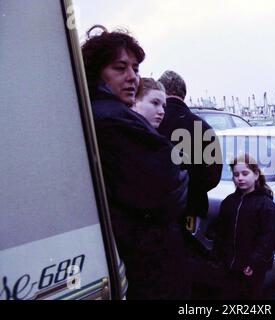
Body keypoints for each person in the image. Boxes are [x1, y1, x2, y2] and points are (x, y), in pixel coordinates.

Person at [81, 25, 189, 299]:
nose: (132, 77)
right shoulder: (113, 119)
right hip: (148, 260)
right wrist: (179, 174)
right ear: (96, 72)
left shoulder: (96, 113)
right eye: (120, 68)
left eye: (136, 69)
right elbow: (167, 190)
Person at [157, 70, 223, 250]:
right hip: (192, 209)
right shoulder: (203, 128)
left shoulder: (150, 122)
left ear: (161, 91)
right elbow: (213, 176)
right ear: (184, 94)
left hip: (155, 211)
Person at [208, 154, 275, 299]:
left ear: (256, 175)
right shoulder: (229, 202)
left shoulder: (266, 206)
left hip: (252, 268)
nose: (240, 178)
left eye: (245, 173)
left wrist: (253, 263)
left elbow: (267, 240)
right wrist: (218, 256)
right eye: (236, 174)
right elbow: (221, 232)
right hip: (229, 266)